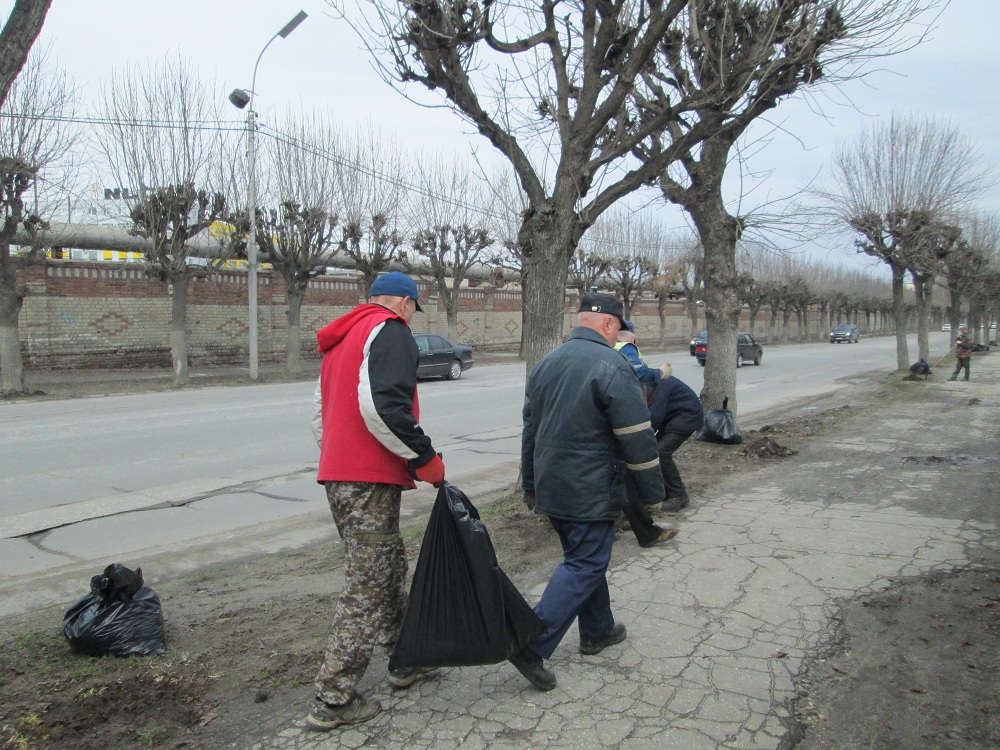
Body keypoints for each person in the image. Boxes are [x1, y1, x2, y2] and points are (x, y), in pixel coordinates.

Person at [306, 271, 446, 732]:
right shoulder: (390, 331)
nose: (410, 314)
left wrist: (337, 457)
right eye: (413, 307)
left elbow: (320, 414)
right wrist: (422, 457)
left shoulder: (343, 336)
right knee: (367, 583)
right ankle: (333, 698)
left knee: (386, 567)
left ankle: (405, 659)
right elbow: (383, 404)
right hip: (368, 480)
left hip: (339, 476)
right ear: (406, 303)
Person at [514, 292, 665, 691]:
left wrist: (530, 484)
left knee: (584, 556)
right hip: (589, 486)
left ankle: (598, 630)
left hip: (552, 483)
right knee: (585, 563)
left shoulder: (546, 363)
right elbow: (637, 436)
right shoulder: (613, 365)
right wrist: (652, 493)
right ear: (611, 326)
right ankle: (531, 644)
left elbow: (530, 430)